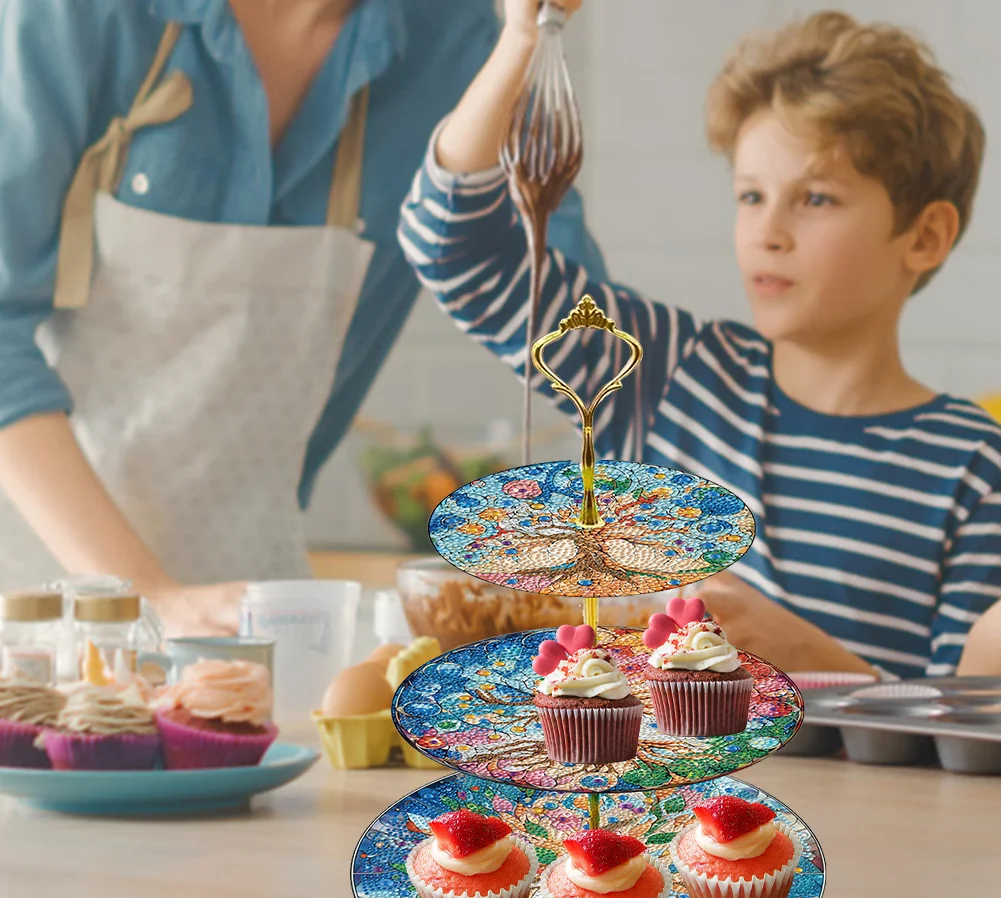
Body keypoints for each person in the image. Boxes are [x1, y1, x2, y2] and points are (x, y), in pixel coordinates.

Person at [398, 2, 1001, 680]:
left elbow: (961, 726)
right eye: (751, 196)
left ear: (925, 236)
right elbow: (453, 248)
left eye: (816, 199)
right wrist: (517, 39)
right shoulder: (668, 373)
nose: (767, 232)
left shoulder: (973, 469)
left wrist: (811, 659)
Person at [0, 0, 606, 637]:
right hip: (31, 609)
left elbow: (585, 337)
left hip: (254, 613)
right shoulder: (79, 14)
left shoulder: (460, 44)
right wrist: (153, 596)